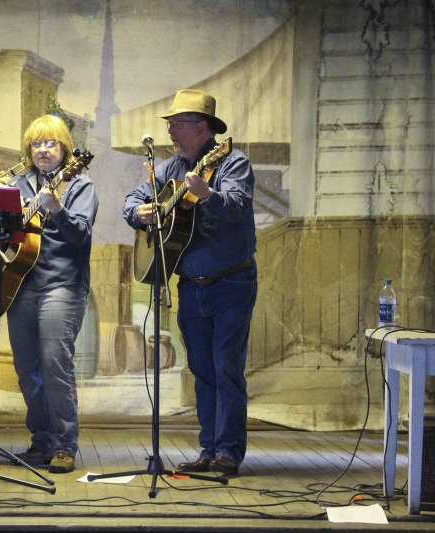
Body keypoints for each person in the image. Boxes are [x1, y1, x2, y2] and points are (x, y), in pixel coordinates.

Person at [122, 89, 257, 477]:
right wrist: (140, 212)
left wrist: (207, 195)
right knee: (201, 367)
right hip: (190, 284)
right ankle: (209, 448)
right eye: (169, 125)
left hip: (231, 282)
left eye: (176, 124)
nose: (170, 131)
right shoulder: (170, 168)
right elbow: (132, 198)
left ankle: (228, 452)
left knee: (225, 366)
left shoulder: (233, 163)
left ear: (202, 128)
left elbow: (235, 208)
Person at [0, 114, 98, 474]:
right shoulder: (16, 185)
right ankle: (41, 440)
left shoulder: (79, 186)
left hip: (62, 286)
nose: (42, 150)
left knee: (55, 363)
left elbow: (81, 236)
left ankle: (64, 444)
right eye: (36, 144)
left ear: (65, 150)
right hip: (20, 284)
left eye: (50, 143)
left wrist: (57, 209)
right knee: (27, 368)